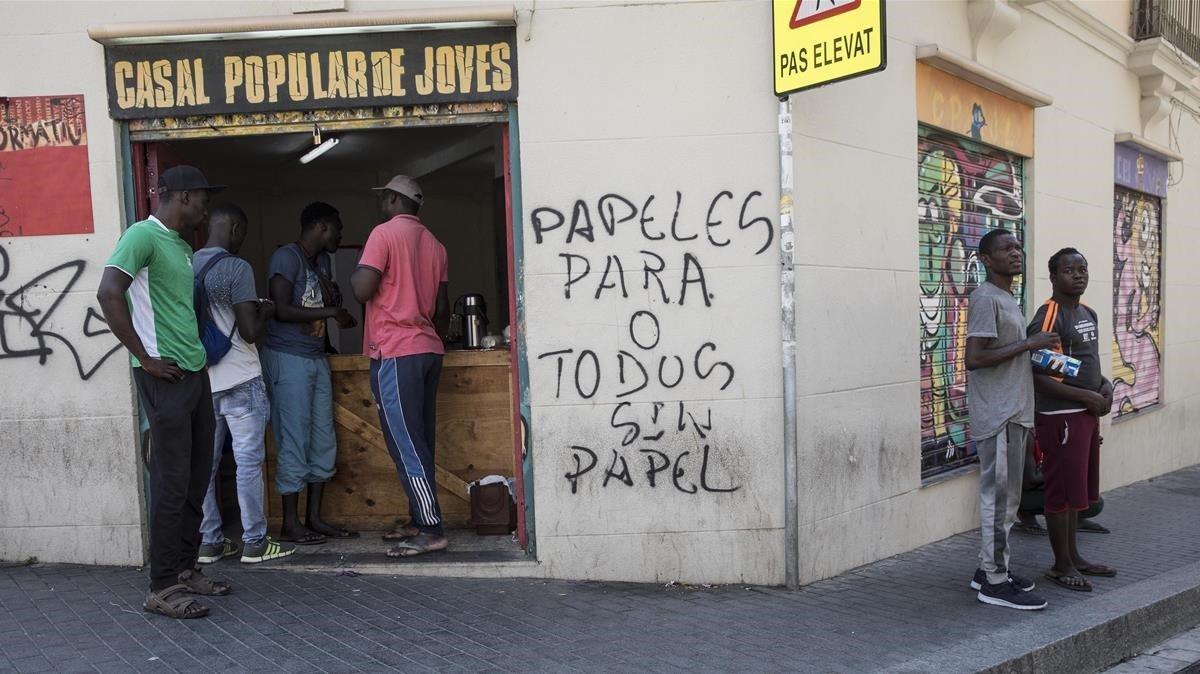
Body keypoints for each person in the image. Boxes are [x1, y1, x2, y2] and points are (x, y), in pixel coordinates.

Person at [96, 165, 231, 619]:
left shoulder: (179, 245)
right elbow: (108, 292)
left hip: (192, 372)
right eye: (203, 198)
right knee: (171, 482)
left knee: (196, 477)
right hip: (163, 376)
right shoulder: (143, 235)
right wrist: (145, 357)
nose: (206, 207)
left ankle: (186, 569)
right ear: (184, 196)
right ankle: (160, 587)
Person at [351, 175, 451, 558]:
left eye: (384, 198)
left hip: (395, 351)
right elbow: (442, 310)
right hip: (427, 350)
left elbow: (362, 289)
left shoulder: (384, 234)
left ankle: (431, 528)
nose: (382, 203)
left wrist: (356, 271)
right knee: (417, 437)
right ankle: (417, 516)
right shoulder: (436, 246)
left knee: (406, 441)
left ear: (393, 199)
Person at [193, 204, 297, 565]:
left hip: (204, 380)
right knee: (248, 463)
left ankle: (210, 541)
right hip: (241, 377)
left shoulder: (186, 266)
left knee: (203, 466)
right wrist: (265, 311)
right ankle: (254, 541)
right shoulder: (237, 268)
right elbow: (250, 331)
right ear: (235, 229)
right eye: (244, 234)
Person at [963, 228, 1058, 611]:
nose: (1015, 253)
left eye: (1017, 246)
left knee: (1008, 499)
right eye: (1006, 249)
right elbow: (975, 358)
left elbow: (1006, 354)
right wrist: (1030, 344)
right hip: (998, 415)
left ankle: (988, 570)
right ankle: (996, 584)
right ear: (987, 260)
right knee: (1000, 501)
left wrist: (1039, 356)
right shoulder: (986, 298)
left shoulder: (1006, 298)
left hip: (1014, 413)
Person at [261, 201, 359, 545]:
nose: (340, 234)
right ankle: (290, 523)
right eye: (337, 228)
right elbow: (281, 310)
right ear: (320, 226)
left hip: (314, 357)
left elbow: (313, 311)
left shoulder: (319, 263)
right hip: (288, 358)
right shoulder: (286, 258)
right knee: (294, 439)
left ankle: (313, 518)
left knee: (323, 439)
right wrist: (334, 311)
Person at [1026, 247, 1116, 592]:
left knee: (1079, 491)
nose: (1078, 275)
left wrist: (1104, 386)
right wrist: (1087, 396)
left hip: (1086, 414)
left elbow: (1082, 363)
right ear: (1053, 277)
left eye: (1083, 268)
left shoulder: (1087, 312)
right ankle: (1060, 566)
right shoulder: (1049, 315)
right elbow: (1039, 373)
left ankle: (1075, 557)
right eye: (1069, 270)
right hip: (1061, 417)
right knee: (1061, 493)